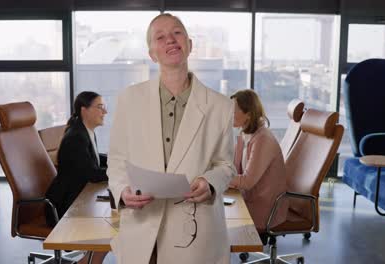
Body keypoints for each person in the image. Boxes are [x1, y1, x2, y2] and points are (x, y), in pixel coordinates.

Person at [107, 13, 236, 264]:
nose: (170, 40)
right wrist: (122, 191)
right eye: (160, 36)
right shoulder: (129, 99)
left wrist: (209, 183)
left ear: (189, 44)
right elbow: (117, 159)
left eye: (177, 33)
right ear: (152, 54)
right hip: (142, 225)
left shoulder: (220, 107)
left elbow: (225, 165)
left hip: (193, 230)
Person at [45, 91, 108, 264]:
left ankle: (89, 259)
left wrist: (117, 161)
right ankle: (89, 260)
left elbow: (93, 158)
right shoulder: (76, 138)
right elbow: (93, 174)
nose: (105, 112)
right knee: (113, 220)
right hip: (63, 206)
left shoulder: (85, 131)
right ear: (84, 110)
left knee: (115, 216)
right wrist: (119, 171)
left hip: (77, 197)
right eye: (100, 107)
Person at [229, 89, 288, 237]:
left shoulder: (262, 139)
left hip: (265, 209)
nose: (228, 113)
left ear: (248, 114)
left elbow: (247, 181)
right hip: (249, 199)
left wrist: (219, 177)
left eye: (233, 110)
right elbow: (234, 169)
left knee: (214, 218)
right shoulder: (245, 133)